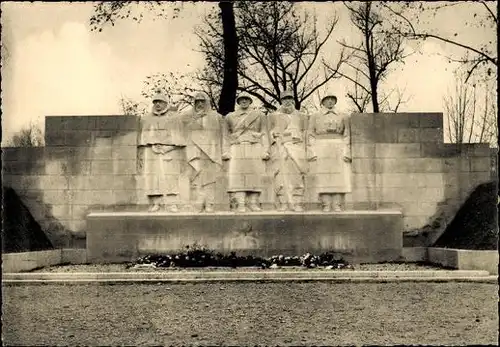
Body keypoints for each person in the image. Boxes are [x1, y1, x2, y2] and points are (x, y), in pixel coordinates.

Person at [138, 91, 186, 212]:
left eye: (160, 102)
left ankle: (172, 203)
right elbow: (144, 138)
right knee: (153, 178)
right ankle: (156, 203)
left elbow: (179, 138)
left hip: (170, 150)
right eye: (155, 102)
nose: (158, 104)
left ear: (165, 103)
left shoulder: (174, 118)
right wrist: (152, 145)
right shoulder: (146, 118)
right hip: (152, 151)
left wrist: (169, 147)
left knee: (171, 177)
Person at [223, 92, 270, 212]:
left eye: (246, 99)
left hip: (254, 146)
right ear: (238, 102)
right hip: (237, 147)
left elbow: (265, 133)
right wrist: (225, 151)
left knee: (255, 174)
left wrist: (265, 150)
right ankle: (241, 203)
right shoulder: (230, 117)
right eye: (241, 99)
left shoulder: (259, 115)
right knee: (237, 176)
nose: (244, 101)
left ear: (250, 101)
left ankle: (253, 202)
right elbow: (225, 136)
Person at [307, 93, 352, 212]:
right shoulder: (315, 116)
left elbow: (347, 134)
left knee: (339, 177)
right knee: (323, 177)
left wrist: (347, 151)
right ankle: (325, 203)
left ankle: (337, 204)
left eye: (333, 99)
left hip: (338, 146)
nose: (330, 102)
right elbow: (310, 134)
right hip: (321, 146)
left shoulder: (343, 116)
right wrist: (312, 151)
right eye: (328, 99)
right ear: (323, 102)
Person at [181, 91, 224, 212]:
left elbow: (223, 135)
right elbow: (180, 130)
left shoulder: (216, 116)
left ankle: (210, 203)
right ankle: (198, 203)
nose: (200, 104)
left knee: (210, 178)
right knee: (196, 177)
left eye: (202, 101)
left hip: (211, 151)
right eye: (197, 101)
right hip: (194, 151)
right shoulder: (186, 116)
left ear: (207, 102)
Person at [268, 90, 309, 212]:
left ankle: (297, 203)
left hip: (297, 148)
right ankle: (283, 202)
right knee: (280, 177)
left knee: (296, 176)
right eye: (285, 99)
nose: (287, 102)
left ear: (293, 100)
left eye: (290, 99)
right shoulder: (274, 116)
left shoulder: (302, 116)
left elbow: (306, 133)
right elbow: (268, 131)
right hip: (281, 147)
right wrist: (274, 136)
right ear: (281, 101)